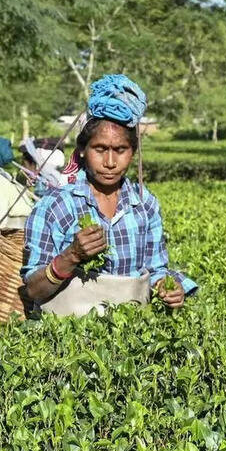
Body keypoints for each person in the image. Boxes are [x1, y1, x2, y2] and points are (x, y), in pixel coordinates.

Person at [21, 75, 196, 315]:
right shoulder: (55, 206)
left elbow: (156, 269)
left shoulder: (145, 204)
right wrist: (71, 256)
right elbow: (32, 290)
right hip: (68, 337)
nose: (110, 162)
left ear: (132, 152)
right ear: (82, 150)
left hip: (131, 332)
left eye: (120, 150)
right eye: (100, 149)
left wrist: (169, 287)